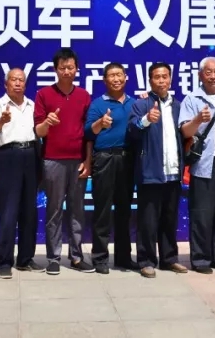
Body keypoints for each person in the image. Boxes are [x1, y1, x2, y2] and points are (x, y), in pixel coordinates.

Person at [34, 47, 94, 275]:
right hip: (53, 161)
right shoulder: (44, 94)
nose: (67, 71)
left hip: (77, 161)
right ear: (55, 69)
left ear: (77, 69)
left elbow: (88, 133)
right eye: (62, 68)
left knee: (77, 211)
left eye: (70, 67)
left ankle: (77, 257)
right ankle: (53, 257)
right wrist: (47, 123)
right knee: (54, 210)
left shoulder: (84, 96)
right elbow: (39, 132)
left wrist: (87, 160)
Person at [128, 62, 189, 278]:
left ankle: (169, 259)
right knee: (148, 220)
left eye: (165, 76)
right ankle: (146, 260)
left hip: (173, 171)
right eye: (157, 77)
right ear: (150, 80)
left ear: (170, 79)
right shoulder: (141, 104)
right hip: (150, 172)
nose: (161, 80)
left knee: (169, 218)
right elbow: (132, 130)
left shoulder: (178, 106)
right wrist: (146, 120)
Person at [84, 62, 139, 274]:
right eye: (111, 76)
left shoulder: (135, 103)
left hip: (127, 159)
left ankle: (124, 258)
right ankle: (100, 258)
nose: (116, 79)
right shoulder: (98, 104)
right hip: (104, 159)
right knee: (102, 210)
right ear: (105, 80)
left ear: (126, 77)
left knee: (124, 211)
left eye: (119, 75)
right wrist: (100, 123)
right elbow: (88, 132)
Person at [180, 57, 215, 274]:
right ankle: (201, 259)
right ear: (200, 75)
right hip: (204, 163)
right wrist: (197, 120)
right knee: (202, 214)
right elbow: (185, 131)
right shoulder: (191, 99)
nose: (212, 76)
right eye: (208, 72)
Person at [0, 68, 43, 279]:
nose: (17, 83)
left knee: (29, 210)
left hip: (31, 154)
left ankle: (25, 259)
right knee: (8, 210)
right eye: (13, 80)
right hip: (8, 155)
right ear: (6, 84)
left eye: (21, 80)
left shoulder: (33, 105)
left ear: (25, 84)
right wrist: (1, 121)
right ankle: (3, 261)